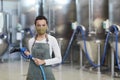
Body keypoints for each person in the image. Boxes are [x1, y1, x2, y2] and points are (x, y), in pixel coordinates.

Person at [25, 15, 62, 80]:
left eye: (43, 25)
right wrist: (28, 55)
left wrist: (44, 61)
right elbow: (32, 58)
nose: (41, 27)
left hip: (46, 74)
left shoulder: (52, 39)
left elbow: (59, 59)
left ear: (46, 26)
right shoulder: (31, 41)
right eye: (39, 25)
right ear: (35, 26)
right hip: (32, 74)